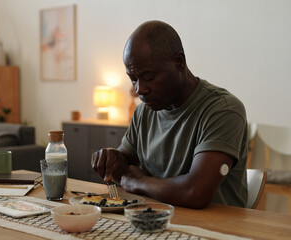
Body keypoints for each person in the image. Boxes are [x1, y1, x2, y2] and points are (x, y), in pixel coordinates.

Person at [91, 20, 248, 209]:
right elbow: (123, 167)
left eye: (149, 77)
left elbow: (195, 193)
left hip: (215, 229)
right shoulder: (143, 112)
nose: (140, 90)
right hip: (155, 220)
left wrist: (139, 182)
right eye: (133, 79)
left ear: (179, 62)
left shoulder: (222, 110)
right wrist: (111, 159)